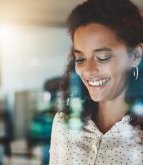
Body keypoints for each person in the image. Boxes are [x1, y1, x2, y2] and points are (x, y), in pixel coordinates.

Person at [49, 0, 143, 164]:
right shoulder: (63, 123)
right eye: (80, 58)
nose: (88, 70)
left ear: (135, 56)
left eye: (102, 57)